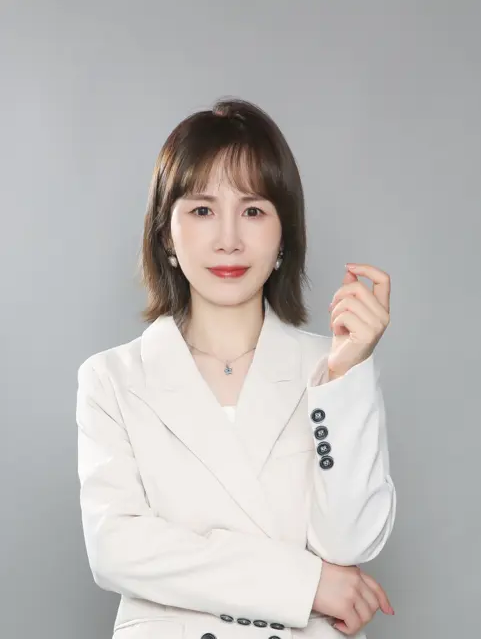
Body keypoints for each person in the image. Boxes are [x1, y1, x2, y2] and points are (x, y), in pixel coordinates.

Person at [76, 97, 396, 639]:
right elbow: (117, 548)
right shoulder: (113, 379)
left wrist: (345, 377)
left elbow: (351, 541)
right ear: (166, 234)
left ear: (283, 234)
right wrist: (307, 585)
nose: (228, 239)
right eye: (202, 211)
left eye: (253, 211)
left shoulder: (330, 369)